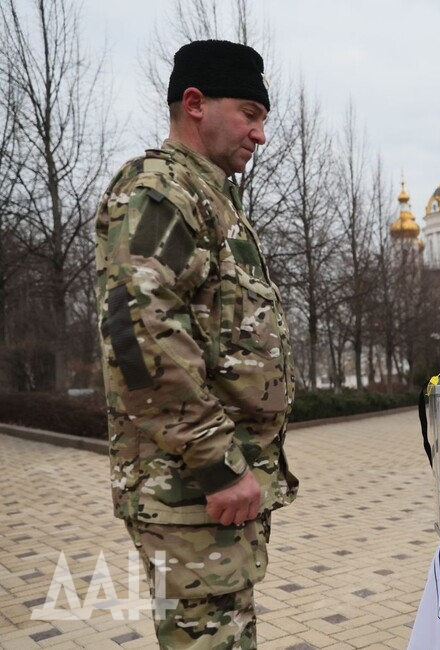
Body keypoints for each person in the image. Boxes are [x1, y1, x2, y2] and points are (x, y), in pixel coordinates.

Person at [95, 40, 298, 648]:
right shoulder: (160, 191)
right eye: (250, 114)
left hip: (209, 492)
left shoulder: (210, 195)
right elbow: (139, 336)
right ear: (195, 104)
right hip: (191, 488)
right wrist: (217, 464)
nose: (260, 135)